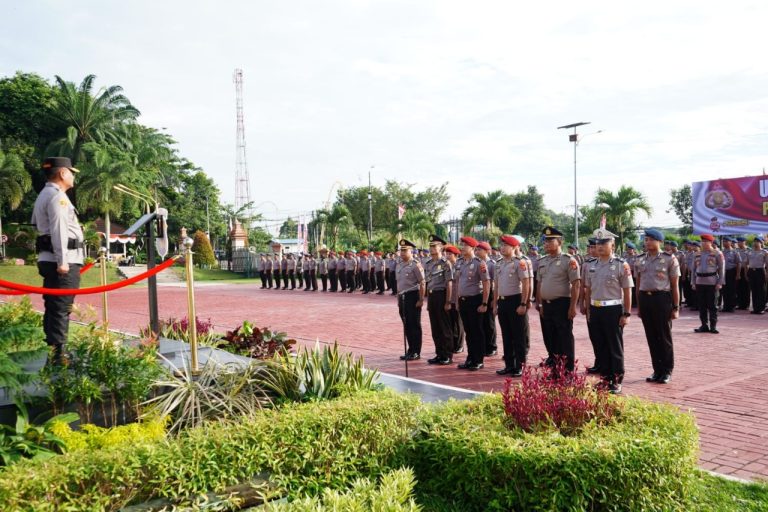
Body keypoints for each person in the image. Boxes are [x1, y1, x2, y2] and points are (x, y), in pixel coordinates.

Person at [32, 157, 85, 365]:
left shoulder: (45, 194)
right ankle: (59, 356)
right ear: (63, 173)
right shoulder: (58, 197)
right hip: (62, 260)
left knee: (54, 307)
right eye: (71, 172)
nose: (73, 176)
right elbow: (59, 230)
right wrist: (63, 261)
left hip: (51, 258)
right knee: (61, 307)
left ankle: (55, 351)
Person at [583, 229, 633, 394]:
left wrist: (626, 313)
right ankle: (605, 378)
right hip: (596, 309)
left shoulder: (620, 264)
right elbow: (588, 289)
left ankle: (617, 380)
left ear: (613, 245)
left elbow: (627, 290)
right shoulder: (591, 265)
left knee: (614, 346)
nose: (600, 246)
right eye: (598, 243)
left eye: (604, 243)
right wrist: (588, 308)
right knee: (600, 345)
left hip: (613, 310)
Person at [635, 229, 680, 384]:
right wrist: (639, 306)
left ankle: (667, 371)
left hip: (662, 299)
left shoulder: (669, 259)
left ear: (659, 241)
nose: (647, 242)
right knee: (651, 337)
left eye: (650, 239)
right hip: (645, 299)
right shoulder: (640, 259)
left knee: (664, 337)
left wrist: (675, 307)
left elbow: (675, 286)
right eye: (645, 240)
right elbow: (638, 285)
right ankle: (657, 370)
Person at [535, 226, 580, 371]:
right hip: (546, 305)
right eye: (545, 241)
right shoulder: (542, 261)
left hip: (562, 304)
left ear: (559, 242)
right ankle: (556, 370)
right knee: (551, 338)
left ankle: (567, 371)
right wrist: (540, 304)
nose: (546, 244)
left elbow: (576, 284)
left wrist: (573, 307)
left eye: (550, 240)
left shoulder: (569, 260)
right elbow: (539, 283)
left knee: (564, 338)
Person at [494, 235, 530, 376]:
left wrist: (523, 303)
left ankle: (520, 366)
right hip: (502, 302)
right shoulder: (499, 263)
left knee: (518, 336)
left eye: (505, 245)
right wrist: (495, 303)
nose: (502, 248)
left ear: (514, 247)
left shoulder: (519, 263)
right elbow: (496, 285)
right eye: (501, 245)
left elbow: (526, 283)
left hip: (515, 301)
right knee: (506, 335)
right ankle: (509, 365)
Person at [454, 236, 491, 371]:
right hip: (463, 301)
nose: (462, 247)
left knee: (477, 331)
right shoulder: (460, 263)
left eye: (465, 245)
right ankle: (470, 358)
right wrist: (457, 300)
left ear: (472, 248)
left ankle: (478, 360)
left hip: (475, 300)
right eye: (462, 245)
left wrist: (484, 303)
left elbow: (487, 283)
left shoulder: (479, 263)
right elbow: (458, 282)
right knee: (468, 331)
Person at [424, 235, 455, 365]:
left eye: (434, 246)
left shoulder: (445, 263)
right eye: (430, 246)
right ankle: (439, 353)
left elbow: (449, 283)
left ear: (441, 247)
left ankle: (447, 355)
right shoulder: (428, 263)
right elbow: (427, 282)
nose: (431, 249)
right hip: (432, 296)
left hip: (442, 295)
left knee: (444, 327)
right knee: (435, 327)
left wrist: (448, 301)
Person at [396, 239, 426, 360]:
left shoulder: (415, 264)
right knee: (407, 324)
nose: (402, 253)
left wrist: (421, 299)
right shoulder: (399, 265)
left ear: (411, 251)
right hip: (402, 297)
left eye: (405, 250)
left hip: (413, 296)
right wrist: (398, 300)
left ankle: (416, 351)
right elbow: (399, 283)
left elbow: (422, 282)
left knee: (414, 324)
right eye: (401, 250)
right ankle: (410, 349)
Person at [692, 234, 725, 333]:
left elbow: (722, 269)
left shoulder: (717, 253)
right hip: (699, 282)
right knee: (701, 305)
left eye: (706, 241)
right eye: (702, 241)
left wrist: (720, 282)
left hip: (712, 282)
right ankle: (704, 325)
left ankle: (713, 326)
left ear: (711, 242)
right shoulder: (697, 254)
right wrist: (693, 282)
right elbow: (693, 269)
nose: (703, 243)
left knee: (712, 305)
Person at [580, 238, 602, 375]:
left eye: (594, 247)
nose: (592, 250)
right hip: (591, 304)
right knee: (594, 335)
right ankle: (598, 362)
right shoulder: (587, 264)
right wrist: (582, 303)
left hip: (606, 305)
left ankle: (606, 364)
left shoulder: (614, 263)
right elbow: (583, 286)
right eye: (590, 247)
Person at [476, 241, 497, 356]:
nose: (477, 251)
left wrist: (494, 299)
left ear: (486, 251)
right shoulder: (478, 262)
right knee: (481, 322)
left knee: (489, 322)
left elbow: (494, 282)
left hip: (490, 294)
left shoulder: (492, 264)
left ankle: (492, 346)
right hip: (481, 294)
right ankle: (484, 346)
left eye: (479, 250)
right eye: (477, 249)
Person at [444, 244, 465, 354]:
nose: (447, 256)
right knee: (450, 322)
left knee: (458, 322)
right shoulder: (446, 266)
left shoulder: (459, 266)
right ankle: (452, 343)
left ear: (456, 255)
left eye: (450, 254)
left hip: (457, 297)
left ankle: (459, 344)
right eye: (446, 254)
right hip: (449, 298)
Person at [746, 237, 768, 314]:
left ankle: (761, 308)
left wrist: (767, 274)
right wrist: (746, 273)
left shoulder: (764, 252)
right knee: (754, 290)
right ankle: (755, 308)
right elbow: (747, 263)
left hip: (760, 271)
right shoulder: (750, 252)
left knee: (761, 290)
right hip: (751, 271)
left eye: (757, 242)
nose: (755, 243)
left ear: (761, 243)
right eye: (754, 242)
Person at [720, 237, 742, 312]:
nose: (724, 243)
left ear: (730, 242)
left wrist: (738, 274)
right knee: (724, 290)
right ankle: (726, 306)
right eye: (723, 241)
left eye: (726, 241)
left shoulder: (735, 252)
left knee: (732, 290)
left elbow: (738, 263)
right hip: (723, 272)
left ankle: (732, 306)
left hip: (731, 272)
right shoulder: (721, 252)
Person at [735, 236, 751, 310]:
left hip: (746, 270)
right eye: (738, 242)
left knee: (746, 288)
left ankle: (746, 304)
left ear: (745, 242)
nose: (739, 243)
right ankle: (740, 303)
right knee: (738, 287)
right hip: (738, 270)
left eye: (740, 242)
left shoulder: (749, 250)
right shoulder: (736, 250)